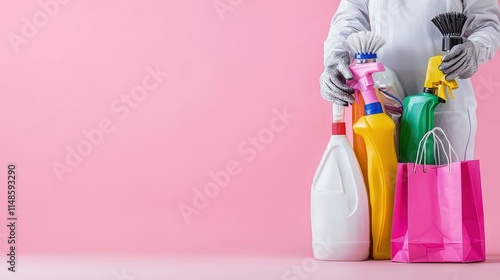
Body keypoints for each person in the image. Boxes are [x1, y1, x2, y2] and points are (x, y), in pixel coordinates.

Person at [320, 0, 500, 161]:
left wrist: (474, 49)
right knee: (386, 188)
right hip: (383, 102)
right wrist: (335, 57)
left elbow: (487, 24)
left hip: (444, 103)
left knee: (446, 190)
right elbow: (348, 22)